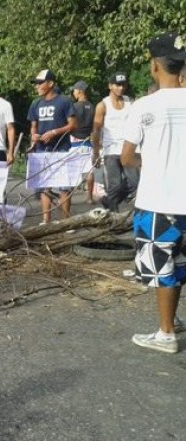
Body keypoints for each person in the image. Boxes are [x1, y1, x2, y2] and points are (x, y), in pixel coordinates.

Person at [121, 32, 186, 354]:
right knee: (182, 265)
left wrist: (154, 164)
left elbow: (127, 157)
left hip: (159, 202)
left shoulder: (145, 106)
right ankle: (173, 319)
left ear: (154, 66)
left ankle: (166, 333)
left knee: (162, 267)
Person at [26, 69, 77, 224]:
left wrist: (54, 132)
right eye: (36, 83)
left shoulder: (64, 101)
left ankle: (65, 222)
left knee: (64, 187)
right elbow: (33, 126)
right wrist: (33, 138)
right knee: (44, 186)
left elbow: (73, 125)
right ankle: (46, 220)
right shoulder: (35, 104)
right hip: (42, 150)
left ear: (50, 83)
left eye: (40, 83)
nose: (37, 86)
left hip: (61, 148)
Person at [92, 71, 139, 212]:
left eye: (123, 85)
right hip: (110, 150)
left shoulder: (130, 102)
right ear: (110, 86)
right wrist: (95, 152)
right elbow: (96, 130)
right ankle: (113, 217)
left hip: (128, 148)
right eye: (117, 85)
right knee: (115, 185)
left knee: (135, 183)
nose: (121, 88)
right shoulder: (103, 105)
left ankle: (108, 201)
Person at [70, 80, 96, 204]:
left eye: (74, 90)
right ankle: (90, 198)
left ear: (80, 91)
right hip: (87, 141)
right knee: (89, 171)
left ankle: (67, 195)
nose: (73, 93)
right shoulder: (92, 106)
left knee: (70, 170)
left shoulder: (74, 107)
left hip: (74, 141)